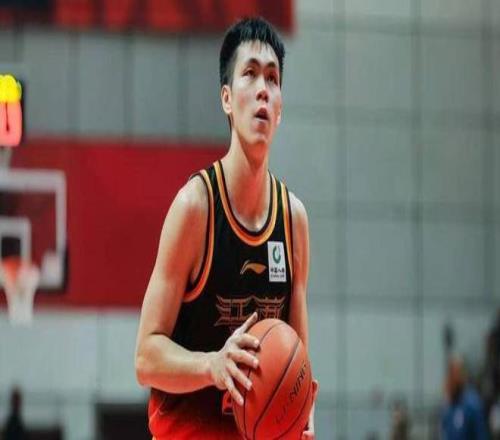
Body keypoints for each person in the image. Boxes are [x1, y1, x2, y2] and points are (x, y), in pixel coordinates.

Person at [135, 16, 318, 439]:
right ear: (227, 99)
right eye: (250, 74)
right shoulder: (195, 208)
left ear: (280, 108)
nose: (263, 89)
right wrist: (212, 365)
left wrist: (302, 413)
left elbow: (298, 364)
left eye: (273, 79)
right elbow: (145, 357)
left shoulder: (293, 220)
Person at [441, 355, 488, 440]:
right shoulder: (448, 406)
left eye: (456, 373)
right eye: (450, 374)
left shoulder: (472, 404)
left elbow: (481, 434)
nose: (451, 379)